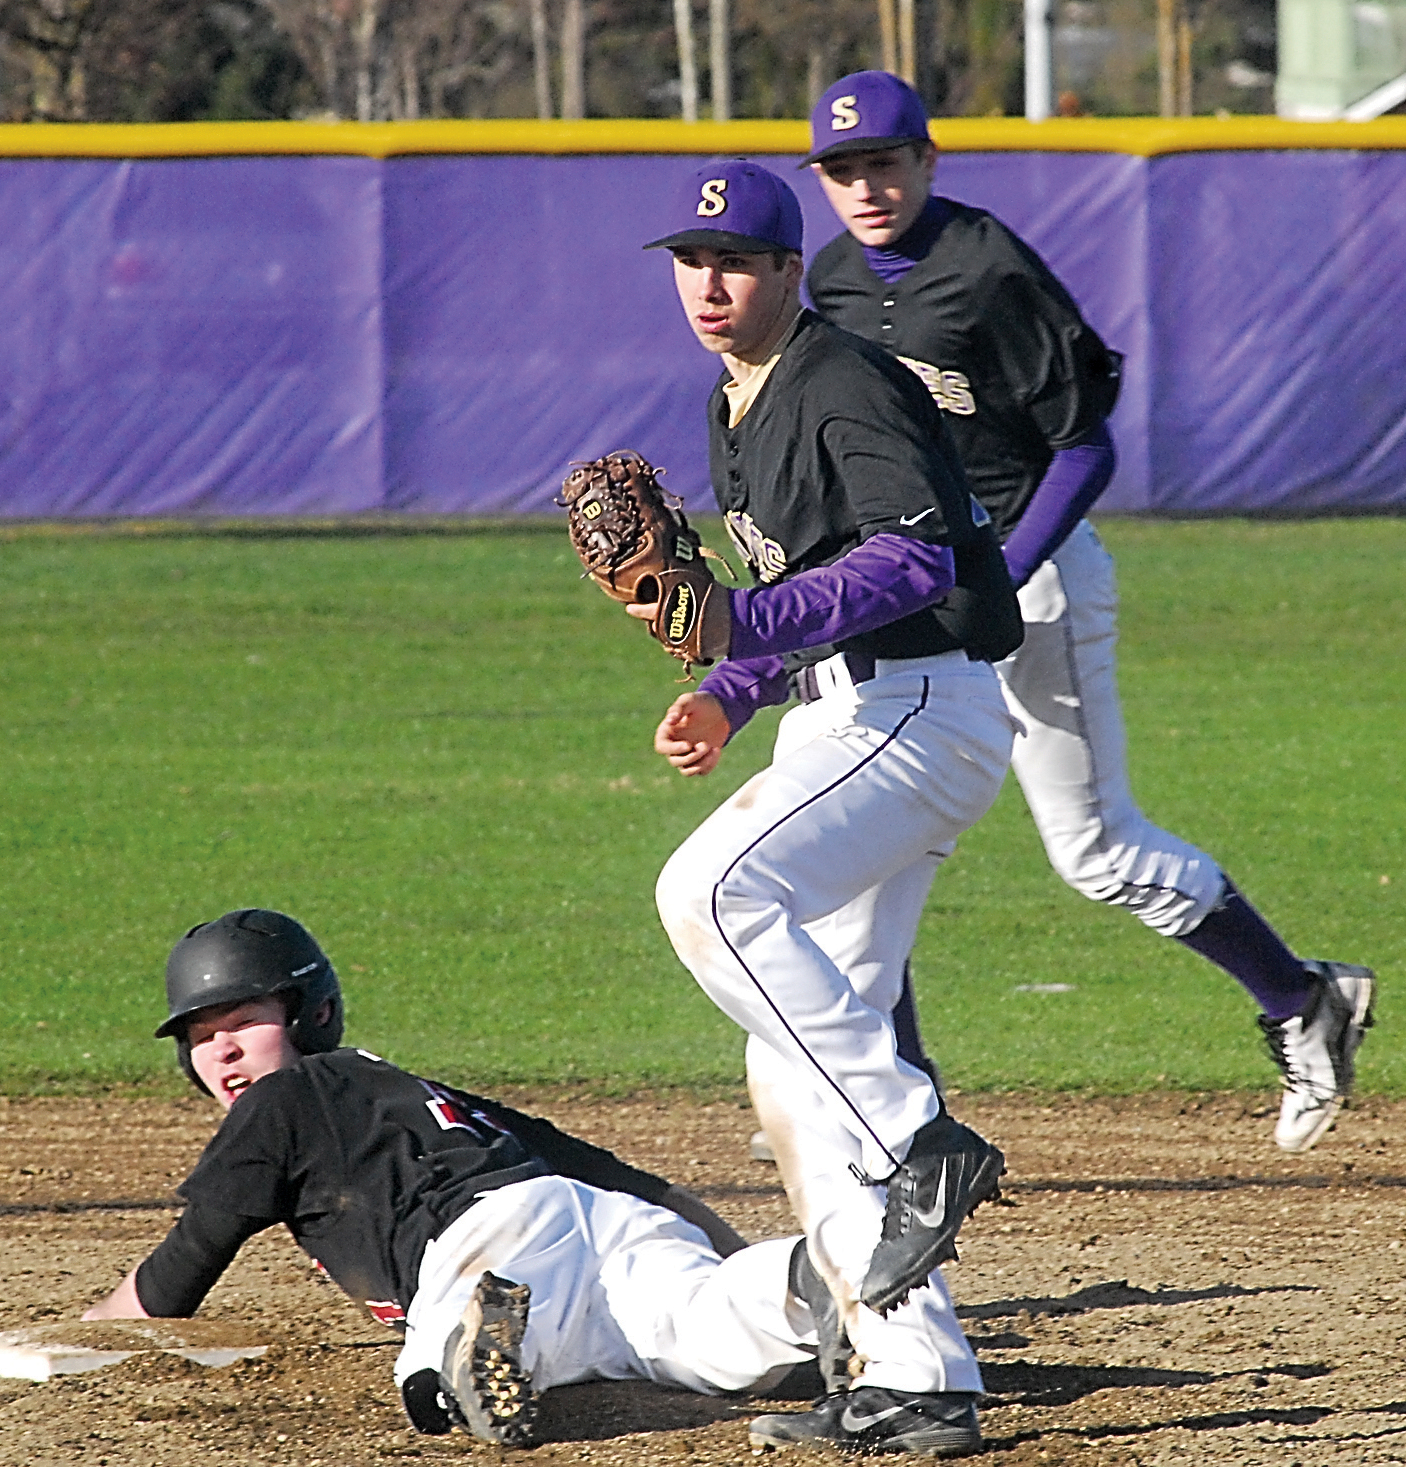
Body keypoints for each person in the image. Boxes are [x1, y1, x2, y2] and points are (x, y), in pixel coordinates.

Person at [800, 71, 1374, 1155]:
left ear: (928, 161)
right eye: (842, 169)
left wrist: (1005, 575)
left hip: (1036, 576)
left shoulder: (986, 269)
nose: (865, 186)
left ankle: (1302, 999)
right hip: (918, 595)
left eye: (883, 161)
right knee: (871, 839)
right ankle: (890, 1100)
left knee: (1094, 850)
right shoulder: (830, 281)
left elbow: (1085, 444)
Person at [633, 158, 1024, 1454]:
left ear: (792, 270)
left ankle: (922, 1138)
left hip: (917, 705)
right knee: (795, 1067)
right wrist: (731, 688)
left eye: (737, 257)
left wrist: (749, 625)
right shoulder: (730, 401)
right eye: (692, 259)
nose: (711, 280)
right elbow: (792, 584)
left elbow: (912, 554)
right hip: (849, 711)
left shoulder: (842, 375)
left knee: (711, 891)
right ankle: (922, 1369)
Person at [82, 908, 981, 1456]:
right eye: (201, 1036)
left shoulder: (282, 1099)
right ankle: (820, 1268)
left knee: (435, 1376)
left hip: (486, 1237)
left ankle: (475, 1344)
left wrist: (89, 1324)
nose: (222, 1050)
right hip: (599, 1225)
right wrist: (732, 1249)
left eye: (242, 1021)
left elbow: (184, 1266)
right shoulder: (427, 1094)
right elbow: (641, 1189)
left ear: (310, 1015)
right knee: (707, 1330)